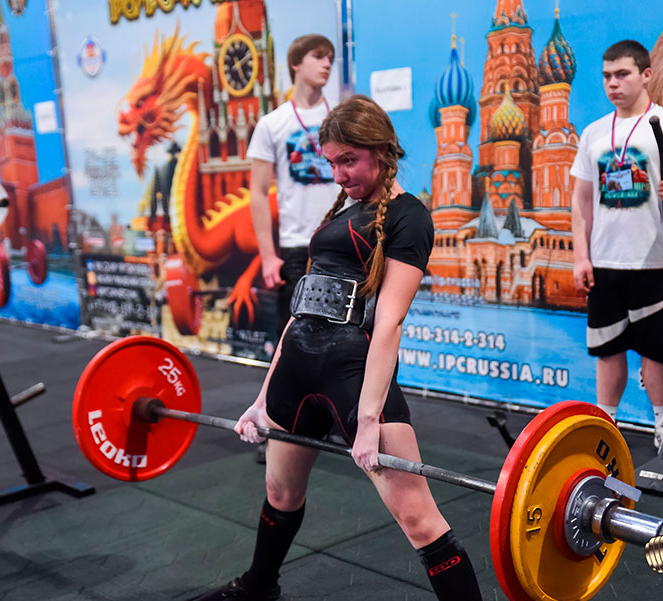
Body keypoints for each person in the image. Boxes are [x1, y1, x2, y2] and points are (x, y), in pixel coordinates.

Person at [196, 95, 483, 601]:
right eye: (331, 163)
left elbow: (389, 321)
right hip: (296, 371)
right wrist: (262, 398)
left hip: (354, 379)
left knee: (418, 520)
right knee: (280, 492)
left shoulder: (409, 217)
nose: (338, 174)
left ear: (382, 150)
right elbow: (301, 313)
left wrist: (369, 419)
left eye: (348, 160)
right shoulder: (344, 212)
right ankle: (260, 587)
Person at [570, 40, 663, 458]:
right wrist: (581, 256)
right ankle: (604, 427)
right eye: (607, 76)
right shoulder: (593, 133)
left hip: (656, 261)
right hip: (605, 263)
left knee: (657, 353)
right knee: (608, 351)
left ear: (646, 75)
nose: (613, 83)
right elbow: (581, 200)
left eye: (622, 74)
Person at [247, 34, 341, 334]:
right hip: (297, 246)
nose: (327, 64)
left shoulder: (342, 115)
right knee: (294, 338)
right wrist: (268, 257)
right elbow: (258, 193)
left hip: (344, 240)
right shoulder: (272, 124)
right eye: (318, 56)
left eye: (330, 58)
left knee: (345, 335)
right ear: (295, 64)